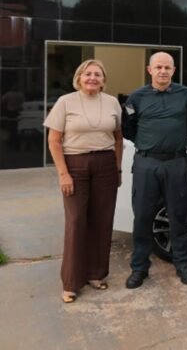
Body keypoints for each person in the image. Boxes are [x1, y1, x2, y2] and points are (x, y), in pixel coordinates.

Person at [44, 59, 123, 303]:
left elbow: (118, 138)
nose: (92, 78)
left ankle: (96, 274)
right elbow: (54, 141)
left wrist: (118, 168)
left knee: (102, 220)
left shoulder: (111, 102)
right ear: (79, 78)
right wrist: (63, 173)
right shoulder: (65, 102)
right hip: (75, 165)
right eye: (88, 74)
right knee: (77, 221)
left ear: (103, 79)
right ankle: (71, 281)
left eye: (97, 74)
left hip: (106, 165)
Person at [122, 52, 187, 288]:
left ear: (173, 71)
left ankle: (183, 264)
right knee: (143, 216)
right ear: (150, 70)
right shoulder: (136, 97)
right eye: (158, 67)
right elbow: (128, 129)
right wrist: (151, 145)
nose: (163, 71)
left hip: (176, 162)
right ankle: (139, 267)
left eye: (167, 67)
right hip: (147, 163)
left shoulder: (186, 95)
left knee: (178, 215)